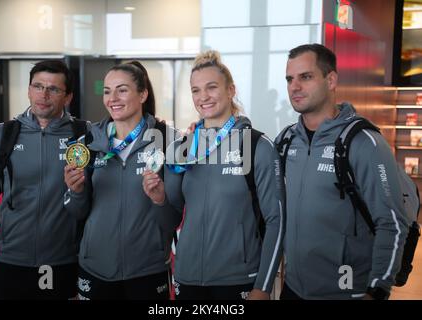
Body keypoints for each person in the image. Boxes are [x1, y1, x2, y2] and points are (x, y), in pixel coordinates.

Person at [143, 50, 285, 300]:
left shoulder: (257, 146)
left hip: (239, 280)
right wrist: (158, 200)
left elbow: (277, 221)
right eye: (196, 90)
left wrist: (262, 287)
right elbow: (169, 220)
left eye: (211, 87)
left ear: (231, 90)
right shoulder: (181, 148)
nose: (203, 97)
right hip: (187, 279)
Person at [276, 43, 409, 300]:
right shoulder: (286, 141)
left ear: (331, 80)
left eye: (306, 77)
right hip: (293, 289)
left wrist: (377, 290)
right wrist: (201, 135)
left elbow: (392, 223)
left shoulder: (364, 142)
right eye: (290, 79)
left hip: (346, 292)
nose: (294, 86)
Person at [63, 61, 181, 300]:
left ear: (143, 94)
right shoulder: (87, 144)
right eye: (107, 91)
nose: (112, 98)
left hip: (147, 271)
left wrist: (159, 200)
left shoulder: (170, 142)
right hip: (95, 268)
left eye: (122, 90)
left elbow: (173, 220)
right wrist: (75, 191)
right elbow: (77, 213)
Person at [0, 60, 82, 299]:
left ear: (68, 97)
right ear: (28, 90)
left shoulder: (84, 135)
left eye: (53, 89)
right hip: (10, 259)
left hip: (64, 261)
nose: (43, 94)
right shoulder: (2, 134)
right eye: (37, 86)